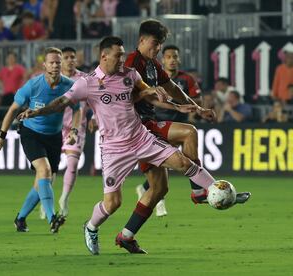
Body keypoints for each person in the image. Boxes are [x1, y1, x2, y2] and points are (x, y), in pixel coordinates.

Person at [18, 36, 250, 255]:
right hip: (113, 150)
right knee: (113, 203)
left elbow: (147, 95)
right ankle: (90, 227)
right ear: (104, 56)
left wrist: (177, 107)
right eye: (118, 56)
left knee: (182, 161)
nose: (122, 59)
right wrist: (37, 111)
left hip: (141, 138)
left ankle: (217, 191)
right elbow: (61, 103)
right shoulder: (86, 84)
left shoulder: (129, 74)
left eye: (122, 55)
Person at [124, 20, 225, 219]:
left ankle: (126, 236)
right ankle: (199, 190)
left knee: (159, 190)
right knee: (113, 200)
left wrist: (197, 108)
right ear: (142, 40)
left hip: (149, 124)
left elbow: (171, 88)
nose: (158, 47)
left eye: (160, 43)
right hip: (135, 129)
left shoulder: (153, 65)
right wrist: (175, 105)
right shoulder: (131, 64)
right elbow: (126, 98)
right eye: (155, 42)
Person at [0, 47, 80, 233]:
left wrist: (73, 131)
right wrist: (1, 136)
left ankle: (20, 218)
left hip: (54, 136)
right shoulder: (32, 86)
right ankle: (52, 218)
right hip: (31, 133)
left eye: (58, 62)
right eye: (52, 62)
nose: (56, 65)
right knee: (45, 170)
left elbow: (77, 109)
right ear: (44, 65)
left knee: (43, 181)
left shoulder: (68, 85)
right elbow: (13, 110)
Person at [134, 44, 203, 216]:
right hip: (158, 125)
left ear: (179, 59)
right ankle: (193, 191)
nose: (172, 60)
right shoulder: (152, 78)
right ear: (163, 59)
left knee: (172, 163)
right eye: (169, 57)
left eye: (175, 56)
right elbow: (146, 98)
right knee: (168, 164)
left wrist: (196, 109)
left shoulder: (187, 79)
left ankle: (144, 189)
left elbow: (197, 98)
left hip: (177, 125)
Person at [57, 47, 89, 217]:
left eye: (72, 57)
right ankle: (45, 201)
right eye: (66, 57)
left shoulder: (84, 79)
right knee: (48, 169)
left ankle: (64, 198)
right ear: (61, 60)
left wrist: (95, 118)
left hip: (76, 128)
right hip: (54, 127)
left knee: (72, 164)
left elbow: (94, 101)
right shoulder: (55, 79)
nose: (70, 60)